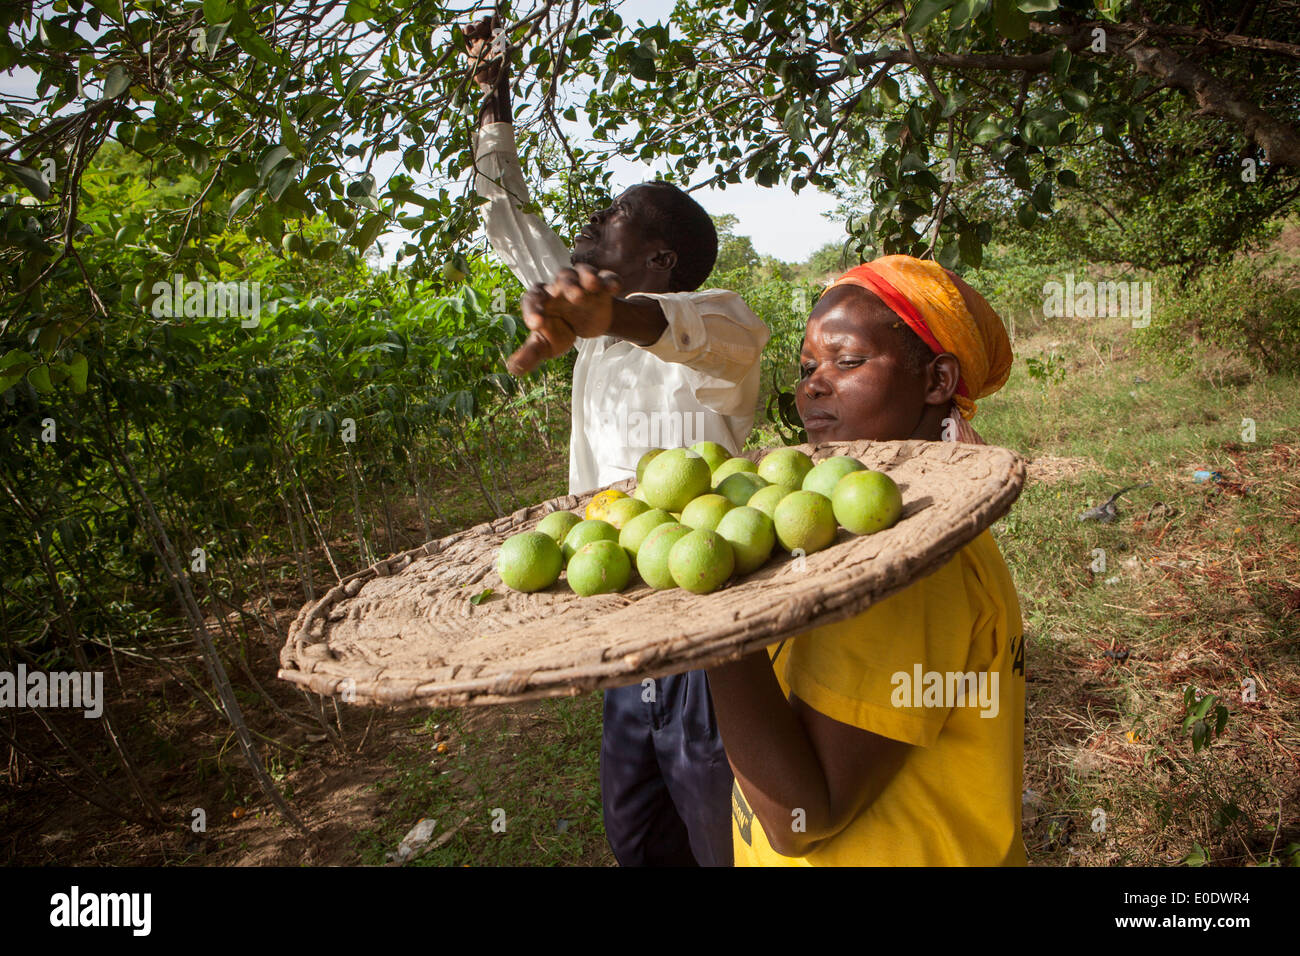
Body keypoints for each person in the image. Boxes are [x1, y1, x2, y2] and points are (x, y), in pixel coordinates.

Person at [461, 17, 769, 866]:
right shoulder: (588, 332)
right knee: (638, 833)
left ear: (663, 259)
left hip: (710, 631)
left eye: (620, 214)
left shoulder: (721, 326)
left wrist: (617, 316)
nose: (594, 218)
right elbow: (509, 220)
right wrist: (495, 98)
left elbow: (711, 330)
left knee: (723, 833)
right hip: (621, 622)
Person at [702, 254, 1026, 865]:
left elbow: (803, 819)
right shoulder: (887, 523)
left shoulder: (906, 565)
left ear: (937, 381)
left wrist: (718, 629)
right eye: (806, 368)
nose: (812, 386)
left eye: (847, 362)